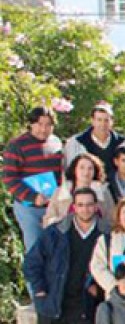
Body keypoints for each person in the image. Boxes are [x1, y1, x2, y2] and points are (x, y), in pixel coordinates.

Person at [23, 187, 107, 324]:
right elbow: (32, 263)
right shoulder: (56, 232)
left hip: (83, 300)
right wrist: (40, 290)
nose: (85, 209)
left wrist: (98, 286)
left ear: (96, 206)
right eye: (80, 204)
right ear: (73, 207)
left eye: (89, 204)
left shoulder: (105, 233)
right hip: (54, 296)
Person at [4, 106, 64, 252]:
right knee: (35, 250)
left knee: (55, 250)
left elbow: (61, 174)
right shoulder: (17, 145)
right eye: (40, 124)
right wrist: (32, 197)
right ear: (31, 124)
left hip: (53, 207)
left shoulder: (56, 143)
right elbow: (9, 178)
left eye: (48, 125)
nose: (43, 129)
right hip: (28, 208)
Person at [43, 152, 116, 228]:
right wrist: (62, 222)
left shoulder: (104, 192)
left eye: (90, 168)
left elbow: (112, 219)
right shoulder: (60, 192)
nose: (86, 172)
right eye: (82, 167)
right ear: (75, 170)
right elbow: (48, 219)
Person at [64, 103, 125, 179]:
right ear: (92, 121)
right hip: (87, 188)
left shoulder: (122, 143)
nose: (103, 124)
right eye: (99, 120)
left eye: (106, 120)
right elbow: (70, 172)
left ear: (112, 122)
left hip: (115, 188)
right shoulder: (77, 142)